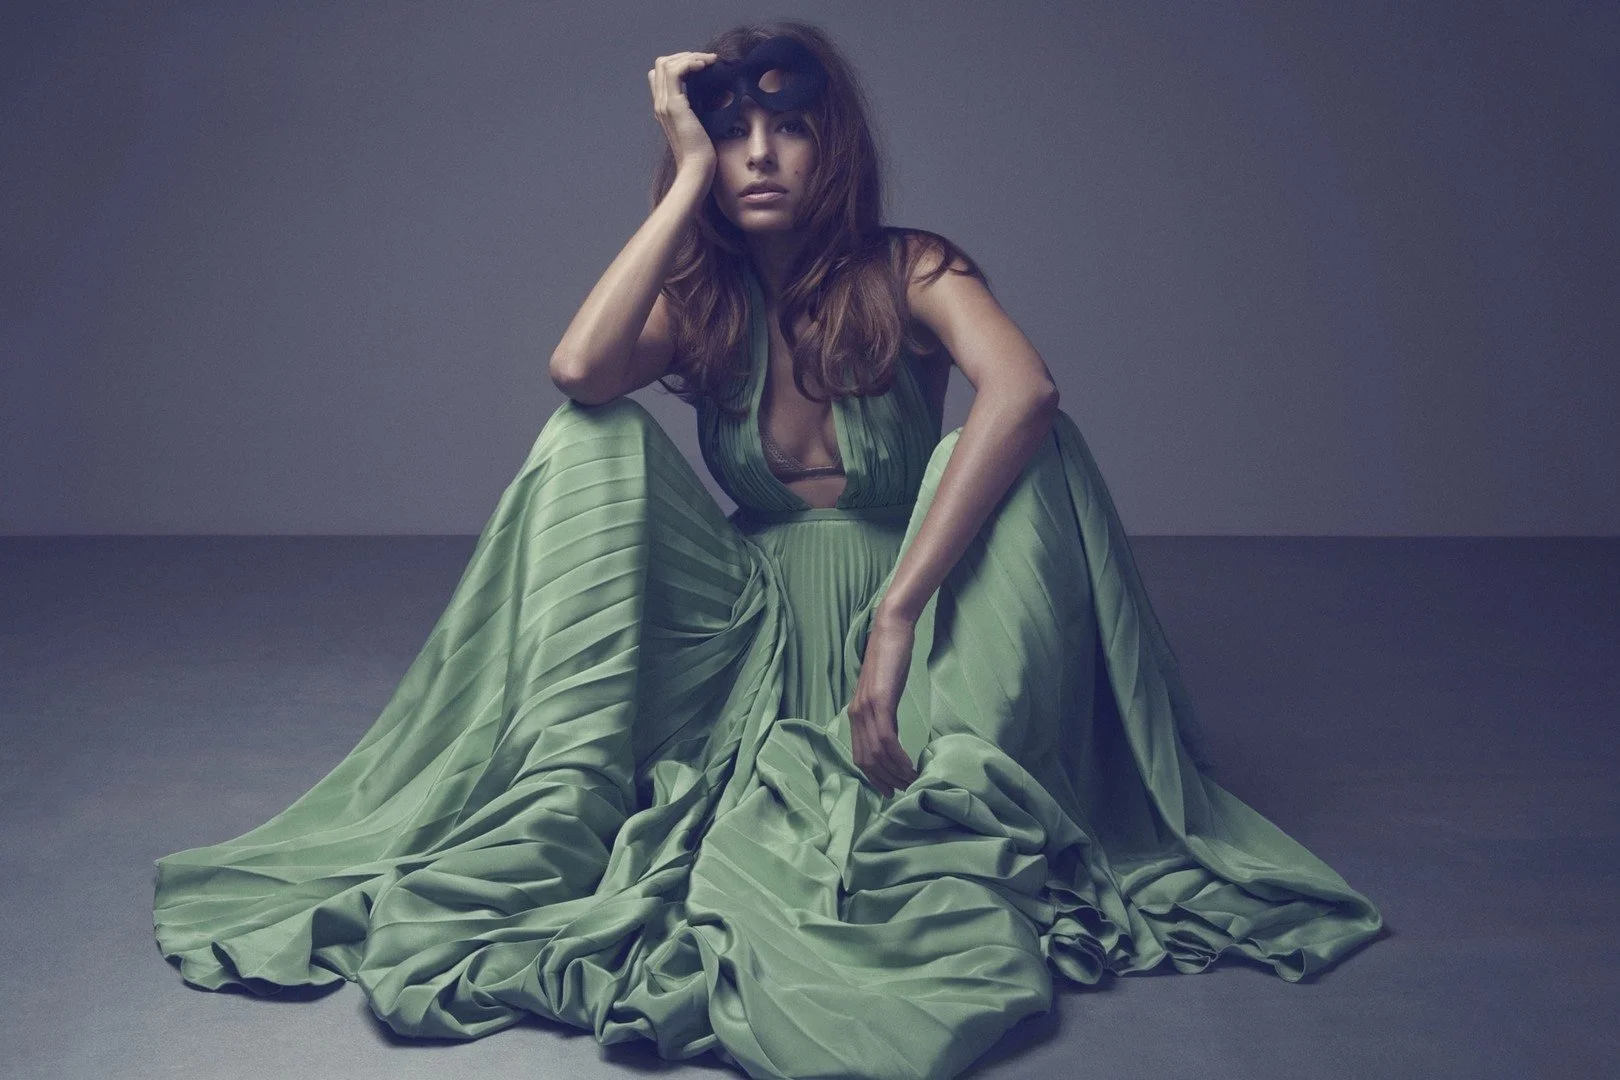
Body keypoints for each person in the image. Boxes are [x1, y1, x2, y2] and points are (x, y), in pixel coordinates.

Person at [152, 20, 1384, 1080]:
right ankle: (569, 788)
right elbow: (580, 371)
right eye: (728, 132)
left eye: (783, 131)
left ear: (828, 146)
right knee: (592, 443)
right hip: (750, 631)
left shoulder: (909, 268)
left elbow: (1025, 391)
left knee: (1007, 447)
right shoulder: (709, 305)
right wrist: (681, 182)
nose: (757, 154)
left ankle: (934, 759)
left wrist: (896, 620)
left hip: (928, 619)